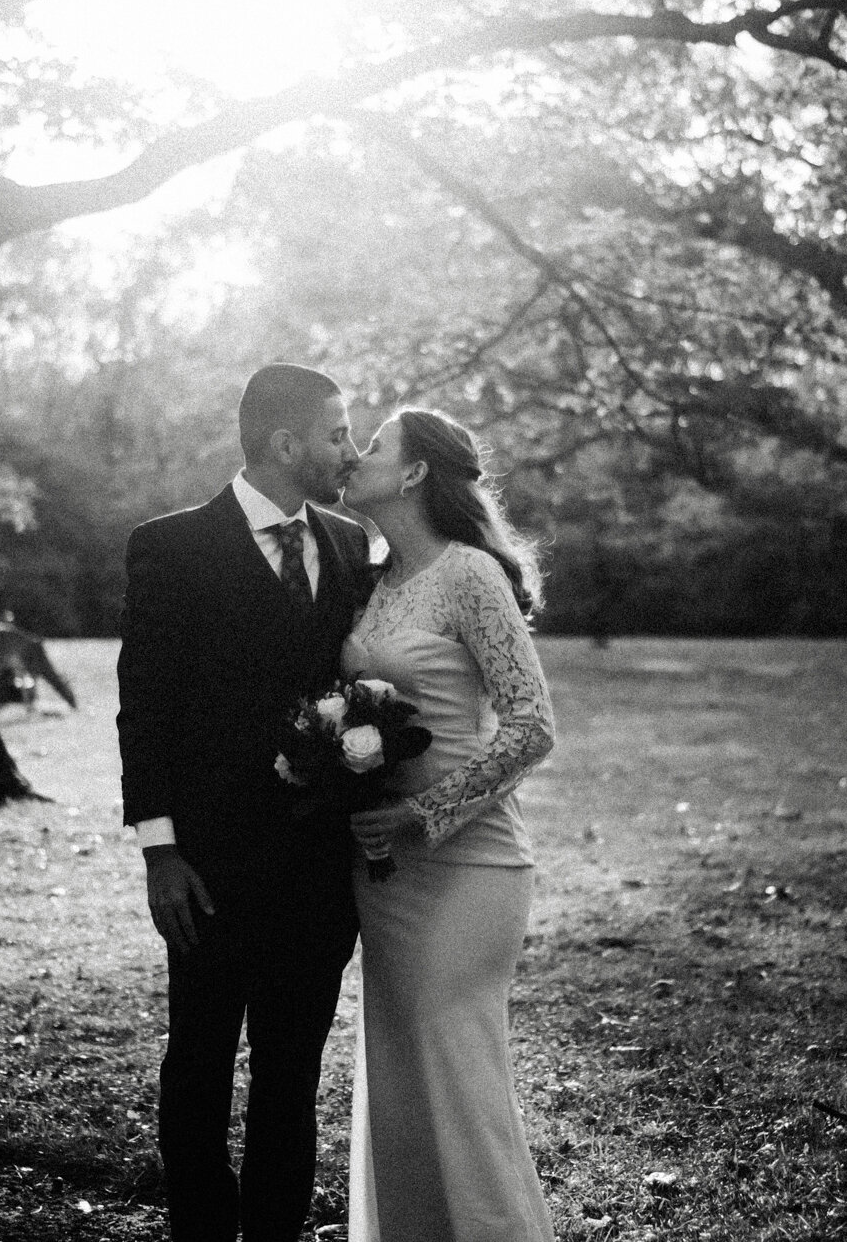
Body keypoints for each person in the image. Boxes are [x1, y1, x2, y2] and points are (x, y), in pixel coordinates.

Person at [117, 363, 370, 1242]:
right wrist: (161, 854)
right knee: (198, 1063)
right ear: (285, 442)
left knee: (291, 1079)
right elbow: (143, 710)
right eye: (338, 432)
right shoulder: (172, 546)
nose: (352, 448)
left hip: (315, 872)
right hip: (210, 870)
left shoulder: (346, 545)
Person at [341, 407, 557, 1242]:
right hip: (384, 873)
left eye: (373, 447)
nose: (354, 458)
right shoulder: (373, 578)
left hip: (469, 864)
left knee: (459, 1076)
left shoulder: (469, 574)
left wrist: (423, 815)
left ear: (415, 473)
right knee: (398, 1079)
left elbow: (531, 723)